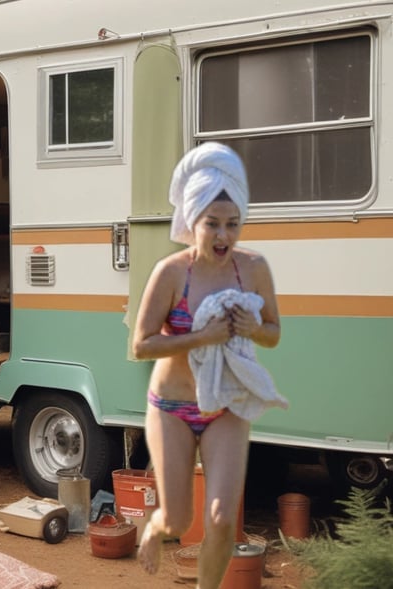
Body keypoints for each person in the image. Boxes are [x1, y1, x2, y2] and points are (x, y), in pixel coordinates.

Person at [131, 142, 282, 589]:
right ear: (192, 220)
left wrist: (253, 328)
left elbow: (273, 332)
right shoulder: (171, 272)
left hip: (227, 404)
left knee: (220, 519)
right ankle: (156, 527)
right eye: (212, 223)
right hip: (172, 407)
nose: (223, 236)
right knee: (179, 521)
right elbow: (141, 345)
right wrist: (202, 337)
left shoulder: (253, 269)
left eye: (233, 224)